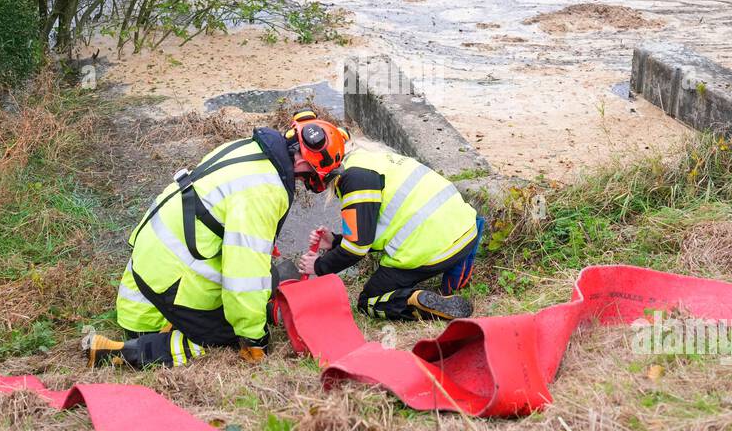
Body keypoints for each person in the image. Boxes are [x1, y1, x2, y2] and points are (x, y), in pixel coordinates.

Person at [84, 111, 350, 368]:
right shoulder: (265, 191)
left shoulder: (247, 150)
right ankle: (129, 353)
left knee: (268, 278)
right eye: (310, 179)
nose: (303, 184)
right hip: (156, 308)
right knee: (227, 335)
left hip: (151, 276)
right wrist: (254, 337)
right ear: (305, 165)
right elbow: (243, 273)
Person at [295, 143, 484, 323]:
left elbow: (357, 248)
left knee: (368, 300)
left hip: (434, 246)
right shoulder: (370, 158)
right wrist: (336, 241)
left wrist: (319, 266)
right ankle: (448, 281)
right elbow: (375, 225)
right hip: (465, 230)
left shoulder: (353, 179)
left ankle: (413, 300)